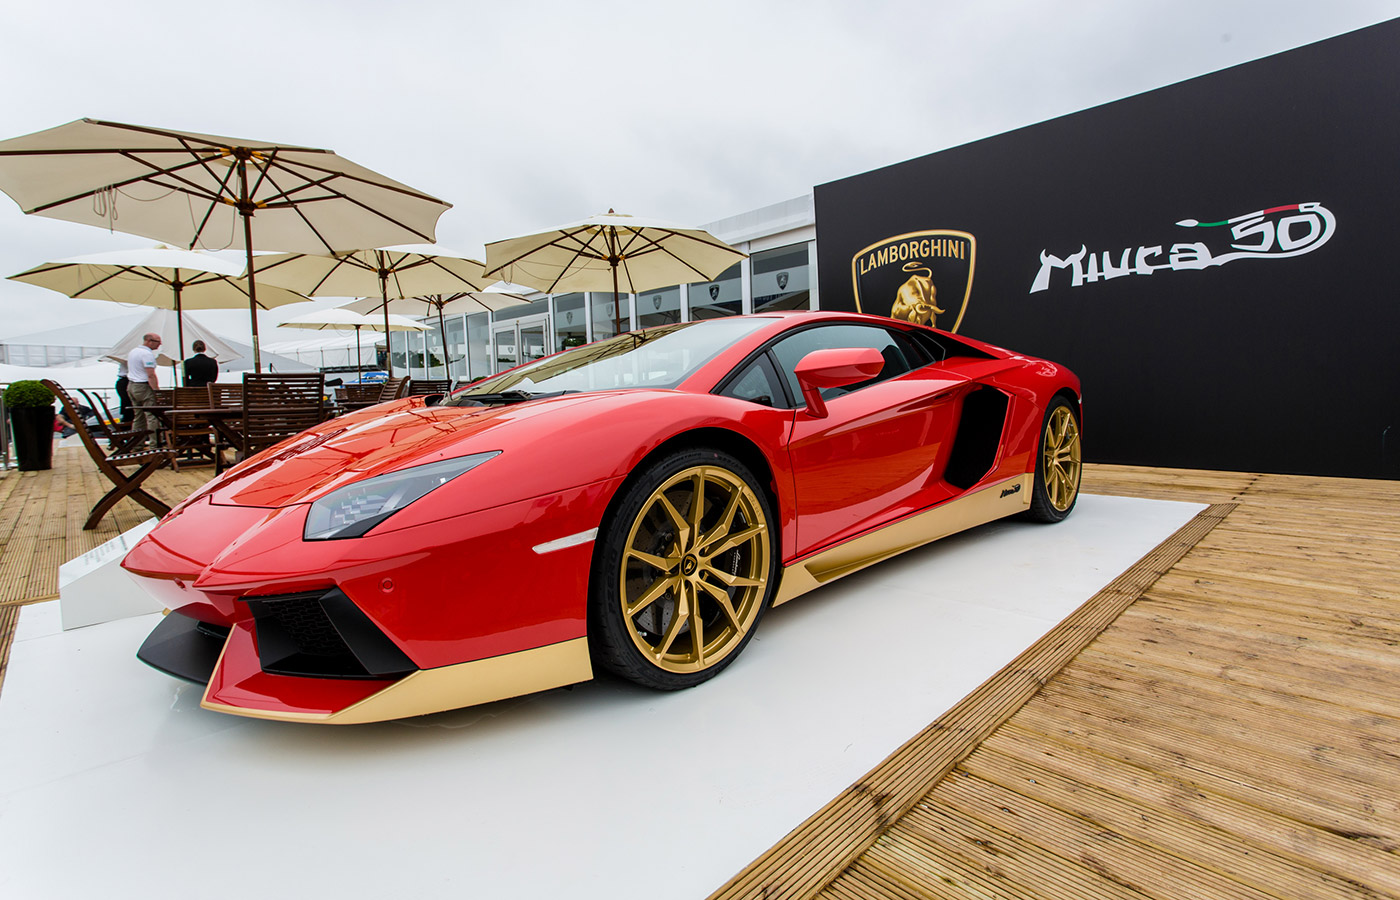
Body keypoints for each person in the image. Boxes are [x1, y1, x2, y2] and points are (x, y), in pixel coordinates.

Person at [127, 332, 162, 447]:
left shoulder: (133, 351)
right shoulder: (147, 354)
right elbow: (150, 375)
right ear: (149, 341)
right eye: (157, 342)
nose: (159, 344)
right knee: (152, 416)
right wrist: (157, 391)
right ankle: (155, 444)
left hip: (132, 385)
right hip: (143, 386)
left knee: (138, 417)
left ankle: (137, 444)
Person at [114, 356, 133, 425]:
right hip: (127, 381)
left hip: (124, 380)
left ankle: (126, 423)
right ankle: (126, 424)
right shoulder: (131, 355)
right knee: (129, 407)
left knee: (127, 407)